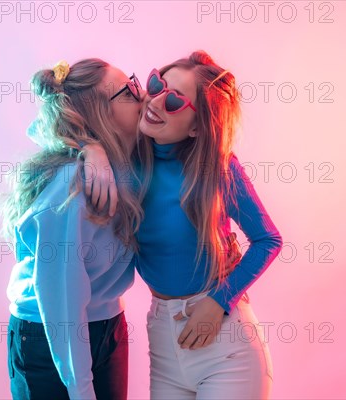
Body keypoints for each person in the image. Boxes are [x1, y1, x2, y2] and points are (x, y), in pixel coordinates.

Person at [82, 50, 283, 399]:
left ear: (197, 126)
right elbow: (51, 124)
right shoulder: (129, 156)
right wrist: (91, 149)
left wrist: (219, 301)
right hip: (163, 338)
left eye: (175, 101)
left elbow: (268, 239)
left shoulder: (218, 168)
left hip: (224, 341)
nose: (156, 101)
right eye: (157, 84)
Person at [0, 58, 145, 400]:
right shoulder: (71, 191)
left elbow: (41, 127)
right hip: (50, 333)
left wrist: (89, 146)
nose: (141, 97)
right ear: (100, 113)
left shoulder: (121, 161)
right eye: (128, 90)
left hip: (106, 323)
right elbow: (61, 304)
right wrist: (80, 389)